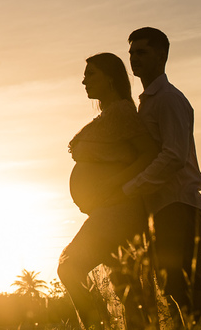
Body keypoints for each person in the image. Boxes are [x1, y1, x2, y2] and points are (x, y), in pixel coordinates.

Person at [59, 53, 158, 330]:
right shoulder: (108, 115)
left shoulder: (123, 112)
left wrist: (112, 185)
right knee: (128, 290)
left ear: (111, 78)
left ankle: (99, 327)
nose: (84, 81)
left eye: (91, 74)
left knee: (69, 267)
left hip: (119, 211)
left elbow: (150, 153)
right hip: (109, 211)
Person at [123, 27, 201, 327]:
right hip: (163, 209)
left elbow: (173, 156)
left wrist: (131, 188)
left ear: (161, 56)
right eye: (131, 53)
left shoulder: (169, 99)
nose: (134, 58)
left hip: (179, 207)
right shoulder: (147, 101)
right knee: (173, 291)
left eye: (142, 52)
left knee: (186, 292)